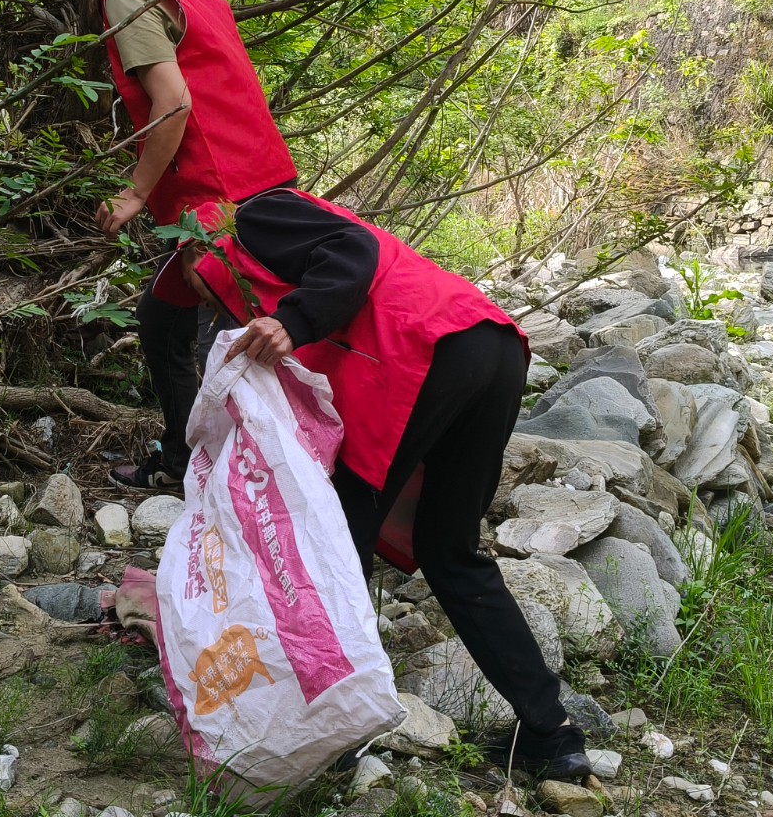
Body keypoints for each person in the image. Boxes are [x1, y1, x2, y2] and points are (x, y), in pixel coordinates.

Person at [156, 187, 592, 781]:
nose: (205, 305)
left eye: (193, 284)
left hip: (424, 351)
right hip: (490, 348)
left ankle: (337, 737)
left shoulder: (254, 218)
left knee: (338, 543)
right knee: (449, 550)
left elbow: (353, 247)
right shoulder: (261, 272)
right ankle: (552, 734)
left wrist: (293, 321)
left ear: (197, 249)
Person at [54, 0, 296, 491]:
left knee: (243, 334)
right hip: (257, 175)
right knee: (163, 321)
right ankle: (187, 461)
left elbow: (173, 102)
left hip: (220, 196)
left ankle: (266, 476)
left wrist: (136, 192)